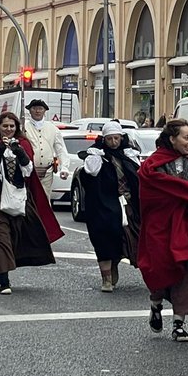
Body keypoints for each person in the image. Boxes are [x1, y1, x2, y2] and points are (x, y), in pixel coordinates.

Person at [138, 120, 188, 343]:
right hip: (162, 224)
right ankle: (156, 302)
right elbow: (149, 191)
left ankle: (179, 323)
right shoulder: (154, 164)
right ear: (172, 139)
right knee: (161, 266)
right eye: (186, 137)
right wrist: (181, 192)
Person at [0, 112, 63, 294]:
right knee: (0, 236)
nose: (8, 130)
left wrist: (20, 153)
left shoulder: (24, 145)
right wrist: (0, 150)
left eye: (12, 126)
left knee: (14, 235)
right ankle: (4, 280)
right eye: (5, 126)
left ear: (16, 128)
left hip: (17, 197)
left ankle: (1, 271)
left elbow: (28, 171)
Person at [80, 121, 142, 292]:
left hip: (128, 204)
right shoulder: (98, 156)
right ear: (104, 139)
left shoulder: (128, 155)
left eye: (116, 138)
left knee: (129, 237)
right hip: (104, 206)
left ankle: (117, 262)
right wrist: (96, 154)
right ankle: (106, 278)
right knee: (104, 239)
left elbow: (138, 176)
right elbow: (91, 173)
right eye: (110, 139)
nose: (114, 142)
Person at [23, 99, 69, 198]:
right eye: (34, 108)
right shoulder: (23, 128)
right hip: (28, 171)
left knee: (44, 199)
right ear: (29, 110)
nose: (37, 111)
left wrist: (64, 167)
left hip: (47, 172)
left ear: (44, 111)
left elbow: (60, 150)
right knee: (28, 199)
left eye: (40, 108)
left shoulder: (53, 129)